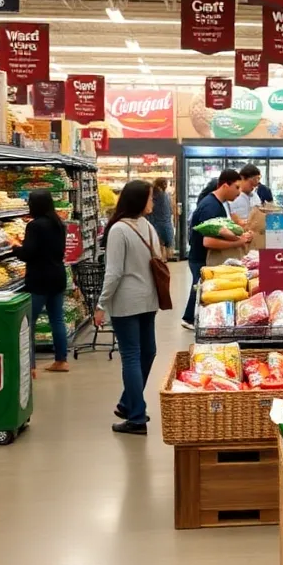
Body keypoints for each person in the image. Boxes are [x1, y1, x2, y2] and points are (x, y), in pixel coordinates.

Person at [96, 180, 163, 435]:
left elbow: (113, 273)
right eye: (150, 198)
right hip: (148, 299)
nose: (153, 203)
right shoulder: (147, 228)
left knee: (133, 356)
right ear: (138, 201)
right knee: (148, 352)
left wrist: (101, 303)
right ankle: (129, 404)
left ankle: (135, 415)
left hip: (126, 301)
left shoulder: (118, 230)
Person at [182, 170, 253, 329]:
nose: (239, 192)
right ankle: (193, 319)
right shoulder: (211, 207)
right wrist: (238, 242)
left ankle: (190, 318)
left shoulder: (216, 203)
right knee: (203, 288)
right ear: (225, 185)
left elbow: (219, 231)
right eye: (236, 187)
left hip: (200, 256)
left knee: (201, 287)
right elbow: (208, 241)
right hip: (202, 257)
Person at [13, 190, 70, 374]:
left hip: (39, 279)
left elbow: (28, 253)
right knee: (57, 320)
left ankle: (30, 366)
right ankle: (61, 361)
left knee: (28, 323)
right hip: (57, 276)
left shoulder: (35, 226)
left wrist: (14, 246)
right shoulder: (59, 224)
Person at [148, 178, 175, 260]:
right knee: (165, 243)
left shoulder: (155, 194)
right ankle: (165, 258)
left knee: (159, 243)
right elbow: (170, 210)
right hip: (165, 222)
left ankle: (161, 259)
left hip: (156, 222)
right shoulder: (165, 195)